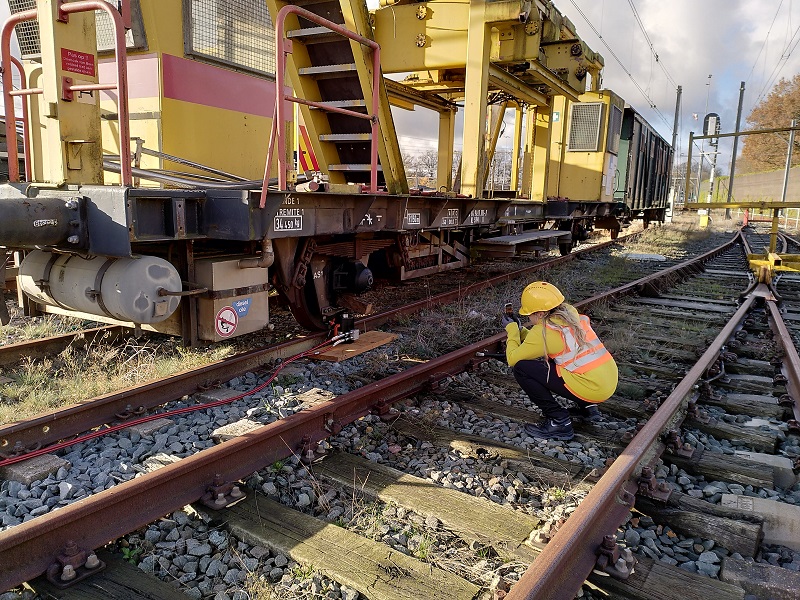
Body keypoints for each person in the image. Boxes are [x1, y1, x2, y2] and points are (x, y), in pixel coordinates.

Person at [501, 281, 618, 441]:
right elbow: (542, 344)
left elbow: (512, 359)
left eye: (529, 314)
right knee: (560, 361)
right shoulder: (569, 315)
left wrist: (512, 330)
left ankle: (558, 421)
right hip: (607, 379)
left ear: (540, 314)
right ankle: (589, 409)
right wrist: (521, 330)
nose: (528, 317)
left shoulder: (545, 331)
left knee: (522, 368)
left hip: (592, 389)